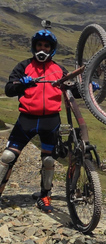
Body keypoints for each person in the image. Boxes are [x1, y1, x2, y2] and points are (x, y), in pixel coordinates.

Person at [1, 21, 68, 212]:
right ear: (34, 46)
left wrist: (90, 86)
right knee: (7, 157)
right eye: (39, 45)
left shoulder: (60, 70)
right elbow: (8, 90)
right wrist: (23, 84)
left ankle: (45, 196)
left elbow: (74, 91)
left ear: (51, 49)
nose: (42, 48)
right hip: (27, 119)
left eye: (46, 46)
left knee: (48, 161)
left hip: (51, 121)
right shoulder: (23, 66)